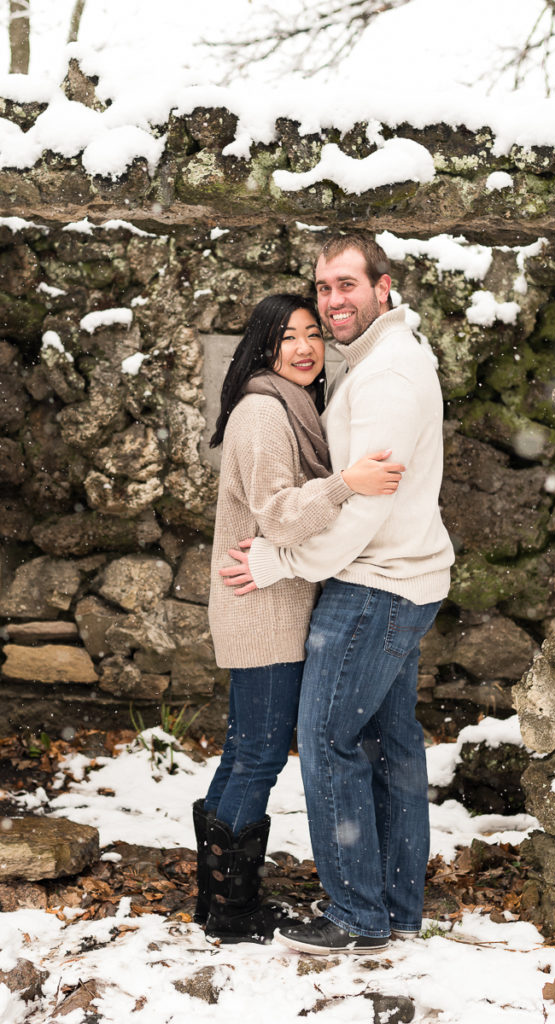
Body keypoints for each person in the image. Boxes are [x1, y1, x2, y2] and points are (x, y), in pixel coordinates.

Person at [222, 236, 455, 954]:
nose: (332, 301)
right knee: (390, 747)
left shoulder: (387, 375)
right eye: (324, 288)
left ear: (384, 286)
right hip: (405, 580)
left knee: (328, 740)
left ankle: (356, 916)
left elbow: (364, 512)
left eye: (346, 284)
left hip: (372, 587)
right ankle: (395, 906)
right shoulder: (385, 358)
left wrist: (277, 561)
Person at [193, 293, 405, 946]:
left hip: (270, 604)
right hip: (261, 610)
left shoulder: (291, 407)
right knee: (258, 754)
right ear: (264, 346)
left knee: (244, 749)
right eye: (288, 336)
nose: (305, 346)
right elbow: (280, 514)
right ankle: (232, 908)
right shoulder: (263, 410)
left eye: (313, 333)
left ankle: (217, 898)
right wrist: (347, 485)